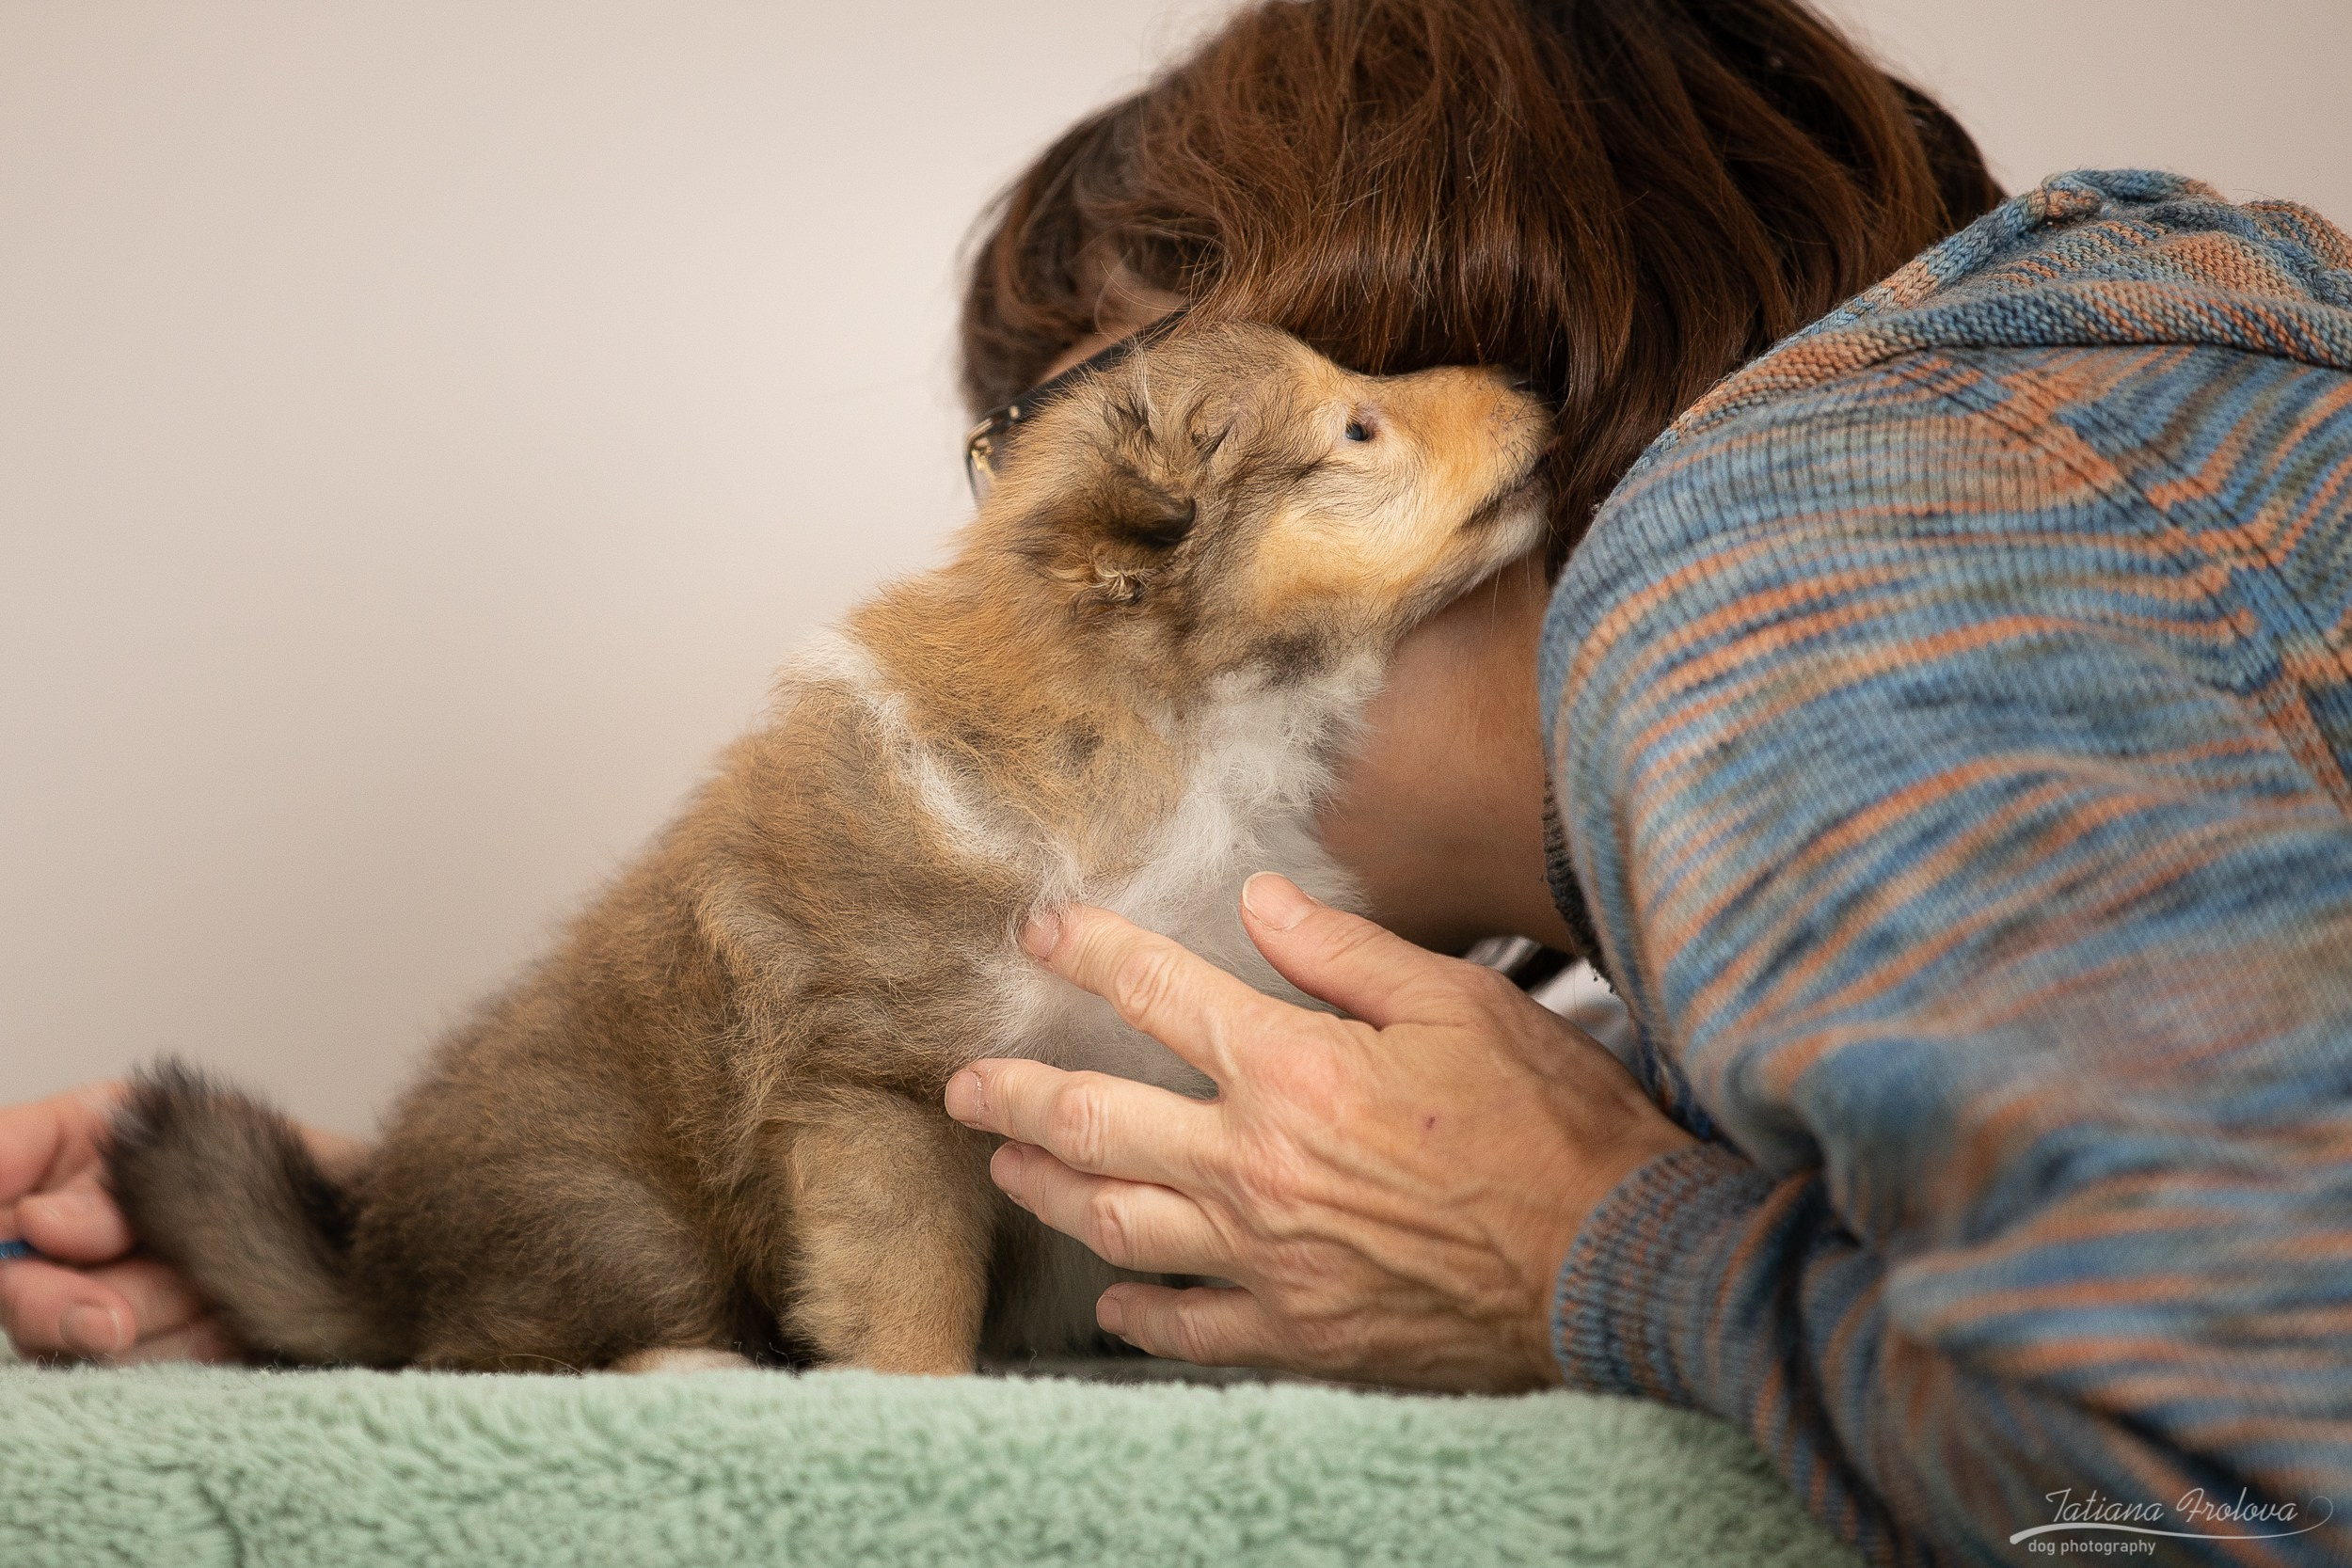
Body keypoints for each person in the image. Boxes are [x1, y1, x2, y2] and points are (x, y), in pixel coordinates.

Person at [7, 2, 2348, 1562]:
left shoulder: (1800, 544)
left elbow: (2235, 1431)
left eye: (1076, 437)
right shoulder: (1899, 642)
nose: (1062, 592)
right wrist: (438, 1237)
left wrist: (1578, 1256)